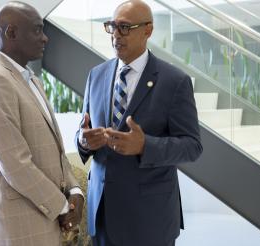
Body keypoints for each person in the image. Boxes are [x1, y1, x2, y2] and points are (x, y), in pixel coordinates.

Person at [75, 1, 203, 245]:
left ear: (148, 30)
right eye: (112, 26)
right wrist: (83, 141)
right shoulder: (96, 75)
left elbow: (192, 146)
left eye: (124, 27)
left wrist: (145, 146)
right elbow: (84, 129)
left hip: (149, 219)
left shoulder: (174, 81)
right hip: (101, 215)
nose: (115, 35)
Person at [0, 2, 83, 245]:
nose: (45, 38)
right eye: (36, 30)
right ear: (11, 33)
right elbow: (16, 165)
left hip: (47, 217)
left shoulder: (32, 80)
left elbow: (56, 150)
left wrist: (75, 191)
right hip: (22, 225)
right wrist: (63, 207)